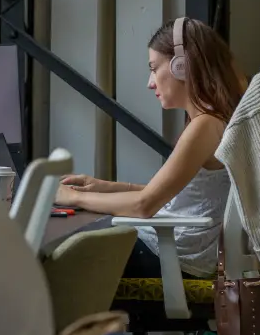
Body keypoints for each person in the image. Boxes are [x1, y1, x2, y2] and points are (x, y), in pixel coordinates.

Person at [55, 17, 247, 278]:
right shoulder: (214, 121)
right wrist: (102, 185)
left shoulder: (205, 126)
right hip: (179, 250)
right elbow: (177, 195)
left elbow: (146, 205)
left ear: (182, 66)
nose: (150, 82)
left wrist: (73, 198)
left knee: (65, 255)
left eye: (154, 68)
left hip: (176, 258)